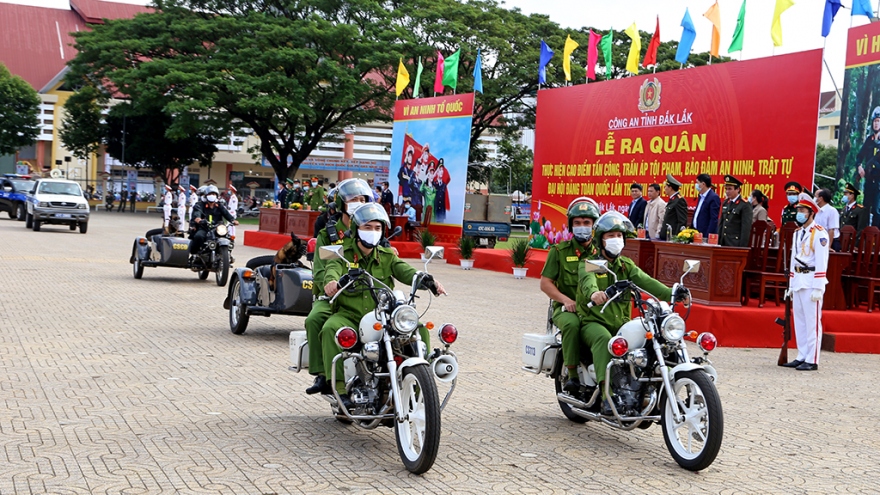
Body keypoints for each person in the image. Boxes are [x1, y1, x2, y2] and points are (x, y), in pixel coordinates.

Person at [320, 203, 447, 406]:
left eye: (377, 228)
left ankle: (421, 384)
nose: (373, 232)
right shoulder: (342, 254)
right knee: (330, 328)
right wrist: (332, 284)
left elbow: (406, 271)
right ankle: (340, 390)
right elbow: (331, 271)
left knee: (419, 329)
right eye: (367, 227)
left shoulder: (387, 256)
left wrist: (427, 281)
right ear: (356, 229)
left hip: (382, 315)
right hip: (349, 315)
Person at [575, 211, 681, 413]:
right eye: (610, 236)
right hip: (593, 322)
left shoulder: (626, 265)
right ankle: (607, 395)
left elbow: (646, 281)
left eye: (619, 236)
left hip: (622, 323)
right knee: (603, 338)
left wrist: (672, 292)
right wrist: (595, 294)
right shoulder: (591, 263)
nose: (616, 240)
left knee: (648, 341)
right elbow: (588, 281)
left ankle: (645, 389)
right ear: (601, 240)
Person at [303, 178, 373, 395]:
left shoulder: (370, 228)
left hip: (366, 293)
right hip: (335, 294)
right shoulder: (329, 233)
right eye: (353, 199)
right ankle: (323, 374)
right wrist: (329, 286)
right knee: (315, 319)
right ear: (342, 203)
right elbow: (323, 267)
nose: (358, 202)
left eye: (362, 199)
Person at [539, 197, 601, 393]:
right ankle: (572, 375)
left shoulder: (601, 253)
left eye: (586, 223)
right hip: (566, 308)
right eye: (577, 223)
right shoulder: (559, 251)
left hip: (595, 309)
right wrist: (565, 300)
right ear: (571, 226)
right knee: (572, 324)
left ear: (594, 226)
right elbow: (545, 283)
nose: (582, 227)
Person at [780, 194, 829, 371]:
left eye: (802, 210)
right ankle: (801, 355)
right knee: (799, 320)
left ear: (811, 212)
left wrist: (819, 286)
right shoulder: (797, 232)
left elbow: (822, 260)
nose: (799, 213)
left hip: (811, 281)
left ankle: (812, 358)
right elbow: (793, 259)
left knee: (812, 322)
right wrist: (791, 285)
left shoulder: (819, 233)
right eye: (798, 210)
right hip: (799, 279)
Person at [189, 185, 238, 260]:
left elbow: (226, 214)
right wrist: (198, 219)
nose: (212, 196)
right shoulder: (200, 205)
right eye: (210, 194)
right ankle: (196, 254)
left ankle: (227, 255)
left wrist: (232, 220)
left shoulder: (219, 206)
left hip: (217, 229)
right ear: (206, 196)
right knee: (199, 236)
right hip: (205, 228)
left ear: (217, 196)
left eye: (214, 194)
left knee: (230, 238)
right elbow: (197, 213)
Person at [854, 106, 880, 226]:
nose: (876, 124)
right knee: (865, 209)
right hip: (869, 182)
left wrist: (875, 165)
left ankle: (876, 237)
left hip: (879, 182)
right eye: (875, 121)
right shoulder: (869, 140)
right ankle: (862, 235)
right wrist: (859, 166)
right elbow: (860, 156)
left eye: (879, 121)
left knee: (876, 210)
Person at [718, 175, 752, 247]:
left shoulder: (744, 205)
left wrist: (742, 247)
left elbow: (745, 229)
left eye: (730, 189)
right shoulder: (725, 203)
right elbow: (721, 223)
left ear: (738, 189)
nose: (727, 191)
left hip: (735, 243)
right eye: (726, 189)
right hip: (723, 242)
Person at [660, 174, 687, 240]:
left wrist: (676, 237)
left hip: (672, 237)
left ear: (670, 188)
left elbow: (682, 221)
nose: (664, 188)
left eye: (665, 186)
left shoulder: (679, 200)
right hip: (666, 235)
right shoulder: (672, 199)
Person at [433, 158, 451, 222]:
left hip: (442, 212)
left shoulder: (444, 185)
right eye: (440, 170)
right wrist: (435, 172)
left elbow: (449, 178)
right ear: (437, 171)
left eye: (442, 170)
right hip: (435, 211)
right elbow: (430, 179)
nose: (441, 171)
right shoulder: (434, 184)